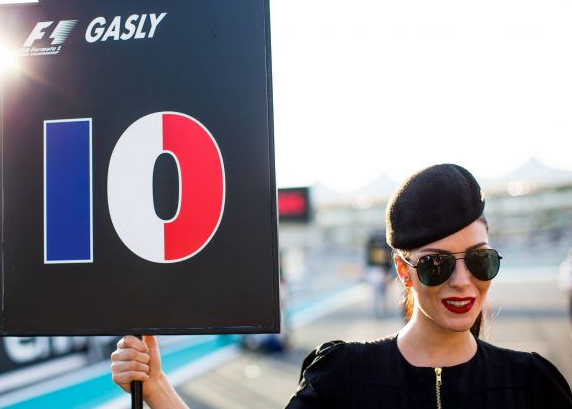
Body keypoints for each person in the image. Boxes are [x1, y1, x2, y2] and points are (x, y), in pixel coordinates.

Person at [111, 164, 572, 408]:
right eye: (435, 265)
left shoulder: (531, 383)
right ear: (403, 270)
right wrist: (157, 389)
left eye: (479, 260)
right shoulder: (344, 377)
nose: (462, 281)